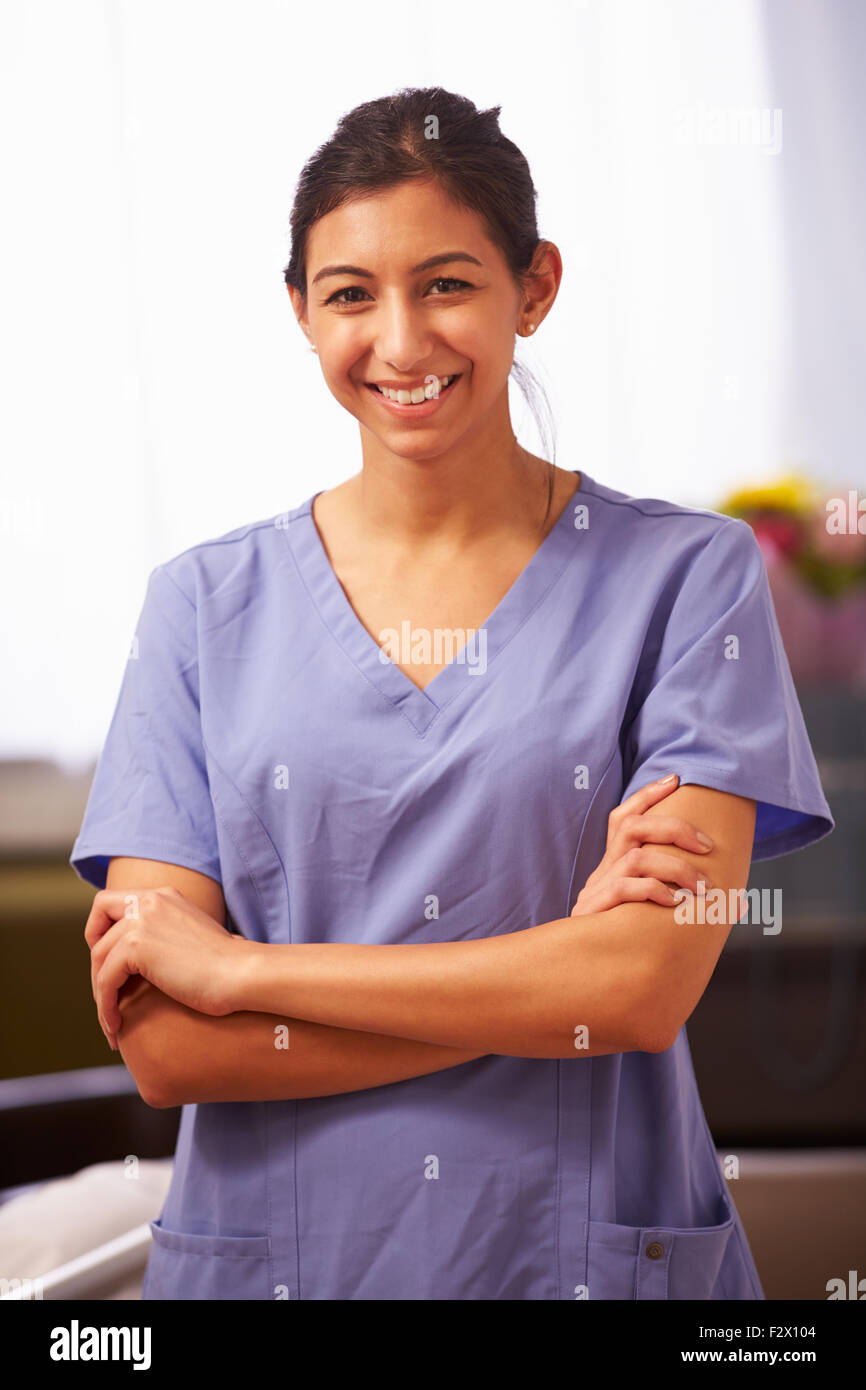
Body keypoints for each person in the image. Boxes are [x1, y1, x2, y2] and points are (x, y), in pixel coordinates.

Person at [70, 86, 834, 1301]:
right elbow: (166, 1045)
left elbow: (639, 987)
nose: (401, 342)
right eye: (349, 295)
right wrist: (554, 971)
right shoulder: (201, 607)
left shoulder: (687, 579)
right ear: (299, 314)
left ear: (532, 287)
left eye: (445, 283)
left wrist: (246, 973)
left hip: (578, 1260)